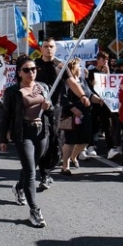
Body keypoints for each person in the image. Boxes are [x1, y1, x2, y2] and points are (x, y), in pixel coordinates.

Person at [0, 56, 51, 227]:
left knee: (32, 167)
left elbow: (53, 110)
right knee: (30, 172)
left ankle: (18, 187)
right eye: (27, 70)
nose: (31, 73)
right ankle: (34, 210)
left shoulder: (43, 87)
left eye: (34, 69)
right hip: (23, 133)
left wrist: (49, 107)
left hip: (41, 132)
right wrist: (3, 138)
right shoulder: (12, 92)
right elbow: (5, 115)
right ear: (19, 73)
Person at [34, 37, 90, 190]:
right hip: (38, 108)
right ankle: (42, 173)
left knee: (56, 142)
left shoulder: (61, 66)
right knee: (41, 142)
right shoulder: (34, 65)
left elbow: (72, 83)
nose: (48, 49)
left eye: (51, 46)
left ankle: (47, 170)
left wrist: (83, 96)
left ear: (55, 49)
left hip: (56, 108)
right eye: (45, 46)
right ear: (41, 49)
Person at [59, 58, 96, 175]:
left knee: (85, 140)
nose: (81, 69)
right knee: (70, 140)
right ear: (73, 69)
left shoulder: (81, 80)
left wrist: (100, 100)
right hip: (69, 114)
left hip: (84, 113)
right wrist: (72, 108)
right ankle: (65, 166)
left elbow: (88, 94)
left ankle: (74, 156)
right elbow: (63, 98)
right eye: (79, 67)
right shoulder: (64, 82)